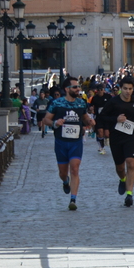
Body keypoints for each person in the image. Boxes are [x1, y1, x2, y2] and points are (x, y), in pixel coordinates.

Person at [41, 77, 94, 211]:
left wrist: (89, 122)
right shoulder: (56, 103)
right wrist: (54, 123)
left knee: (75, 169)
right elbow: (46, 119)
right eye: (75, 87)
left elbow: (84, 117)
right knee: (63, 172)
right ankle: (65, 181)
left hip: (76, 141)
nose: (78, 89)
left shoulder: (81, 103)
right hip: (61, 142)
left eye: (78, 87)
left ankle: (73, 199)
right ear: (67, 89)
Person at [96, 77, 134, 207]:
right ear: (120, 88)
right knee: (120, 166)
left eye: (130, 89)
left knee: (131, 163)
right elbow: (102, 117)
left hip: (131, 136)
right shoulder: (113, 102)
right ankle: (122, 179)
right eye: (125, 89)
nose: (128, 91)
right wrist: (115, 119)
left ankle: (129, 194)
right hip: (116, 137)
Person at [88, 83, 111, 155]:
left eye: (102, 89)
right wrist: (90, 109)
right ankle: (101, 147)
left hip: (107, 117)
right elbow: (90, 108)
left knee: (107, 134)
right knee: (100, 132)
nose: (100, 91)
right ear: (96, 91)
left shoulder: (108, 96)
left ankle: (105, 141)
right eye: (99, 90)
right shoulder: (94, 98)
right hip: (99, 117)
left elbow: (113, 105)